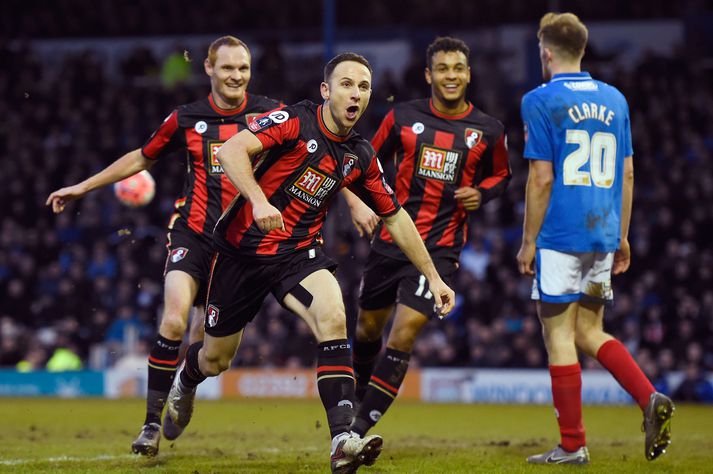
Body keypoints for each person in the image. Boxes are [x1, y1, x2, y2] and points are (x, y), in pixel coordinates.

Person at [162, 52, 456, 474]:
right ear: (326, 91)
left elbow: (396, 216)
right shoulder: (292, 121)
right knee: (215, 360)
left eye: (364, 87)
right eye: (347, 84)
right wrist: (259, 201)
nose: (356, 93)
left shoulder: (360, 154)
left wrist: (434, 277)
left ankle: (341, 439)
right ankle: (186, 379)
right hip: (242, 253)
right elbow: (230, 151)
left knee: (334, 315)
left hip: (298, 254)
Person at [46, 36, 285, 457]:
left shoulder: (271, 114)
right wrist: (83, 187)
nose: (236, 76)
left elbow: (316, 153)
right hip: (192, 233)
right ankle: (150, 426)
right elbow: (141, 156)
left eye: (243, 68)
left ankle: (185, 386)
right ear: (208, 69)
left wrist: (354, 200)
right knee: (173, 321)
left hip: (240, 248)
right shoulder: (186, 119)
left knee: (212, 357)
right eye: (227, 68)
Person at [516, 13, 674, 464]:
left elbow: (541, 178)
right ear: (582, 50)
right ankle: (648, 398)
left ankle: (572, 445)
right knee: (589, 330)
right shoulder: (615, 98)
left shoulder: (539, 99)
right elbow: (627, 171)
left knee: (559, 337)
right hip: (602, 232)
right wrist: (622, 236)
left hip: (561, 234)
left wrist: (529, 241)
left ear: (545, 52)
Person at [349, 37, 511, 437]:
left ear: (468, 74)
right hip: (390, 243)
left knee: (403, 332)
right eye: (443, 68)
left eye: (458, 68)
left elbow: (503, 175)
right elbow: (360, 163)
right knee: (367, 330)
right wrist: (359, 203)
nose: (451, 75)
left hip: (440, 248)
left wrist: (483, 192)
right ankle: (360, 393)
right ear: (429, 74)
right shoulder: (402, 117)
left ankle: (356, 429)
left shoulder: (489, 130)